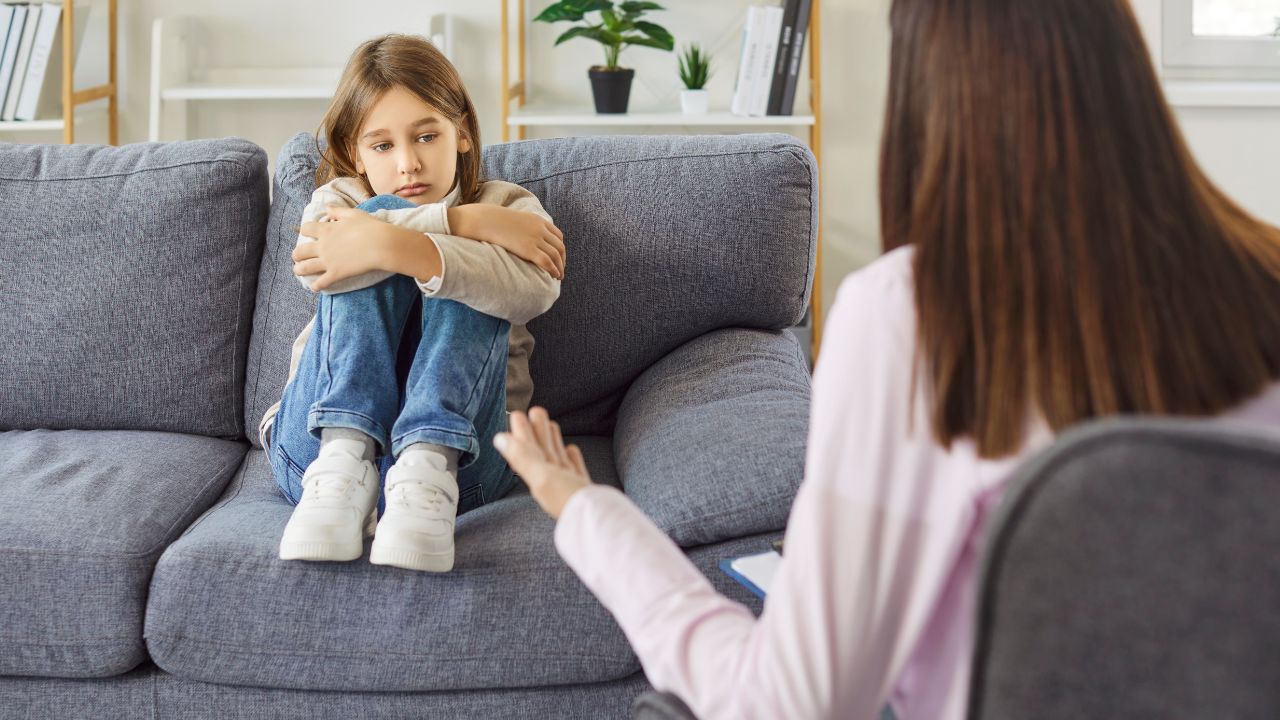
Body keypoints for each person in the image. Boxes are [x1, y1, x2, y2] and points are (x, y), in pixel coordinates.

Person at [493, 0, 1280, 717]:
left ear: (929, 105)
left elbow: (787, 704)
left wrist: (586, 510)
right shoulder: (1265, 281)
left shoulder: (917, 317)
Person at [262, 34, 566, 573]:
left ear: (463, 133)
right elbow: (316, 260)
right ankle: (346, 454)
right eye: (382, 146)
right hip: (314, 461)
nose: (408, 164)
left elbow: (536, 290)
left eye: (426, 136)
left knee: (468, 266)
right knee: (389, 222)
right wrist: (457, 223)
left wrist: (395, 242)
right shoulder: (339, 202)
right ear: (354, 152)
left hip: (462, 470)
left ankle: (428, 456)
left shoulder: (509, 208)